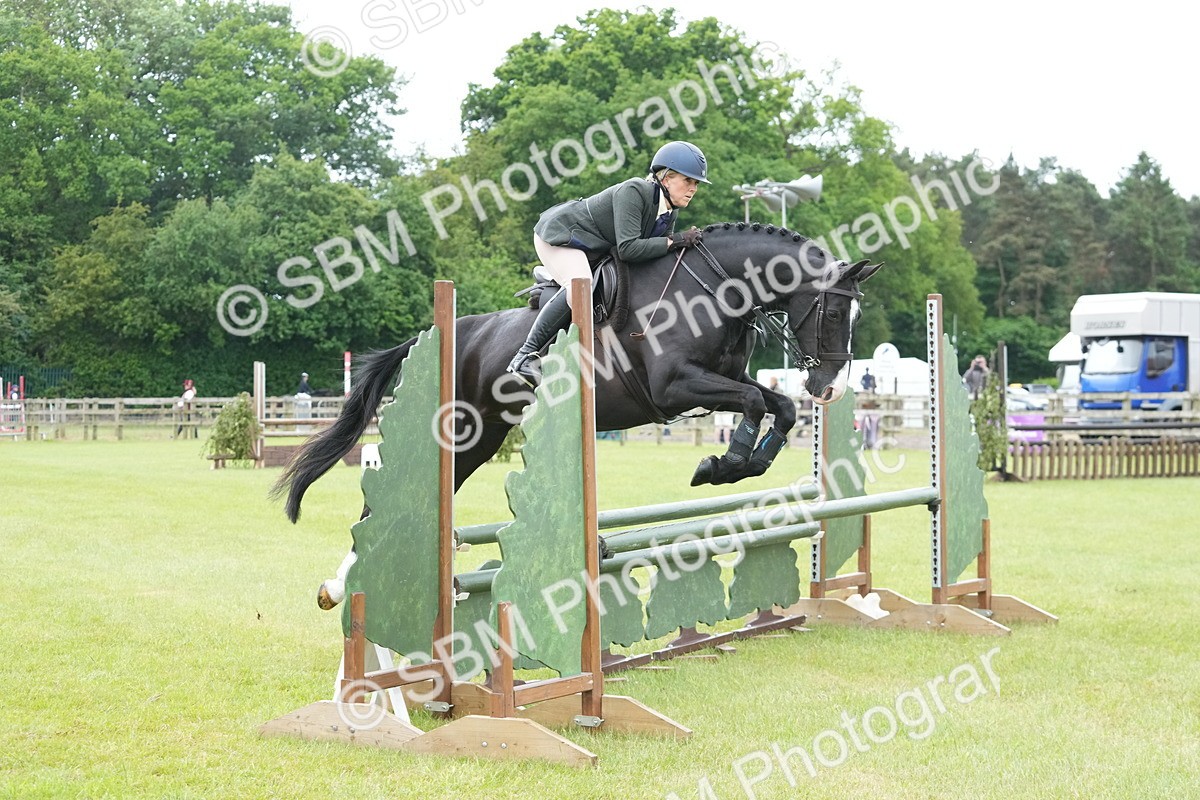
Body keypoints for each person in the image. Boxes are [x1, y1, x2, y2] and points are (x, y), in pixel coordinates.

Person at [505, 140, 711, 387]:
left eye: (696, 183)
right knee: (581, 285)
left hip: (591, 248)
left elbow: (651, 257)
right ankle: (524, 356)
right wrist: (674, 241)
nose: (694, 188)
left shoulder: (669, 211)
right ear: (666, 178)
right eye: (688, 181)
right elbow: (628, 248)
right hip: (562, 236)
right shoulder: (635, 191)